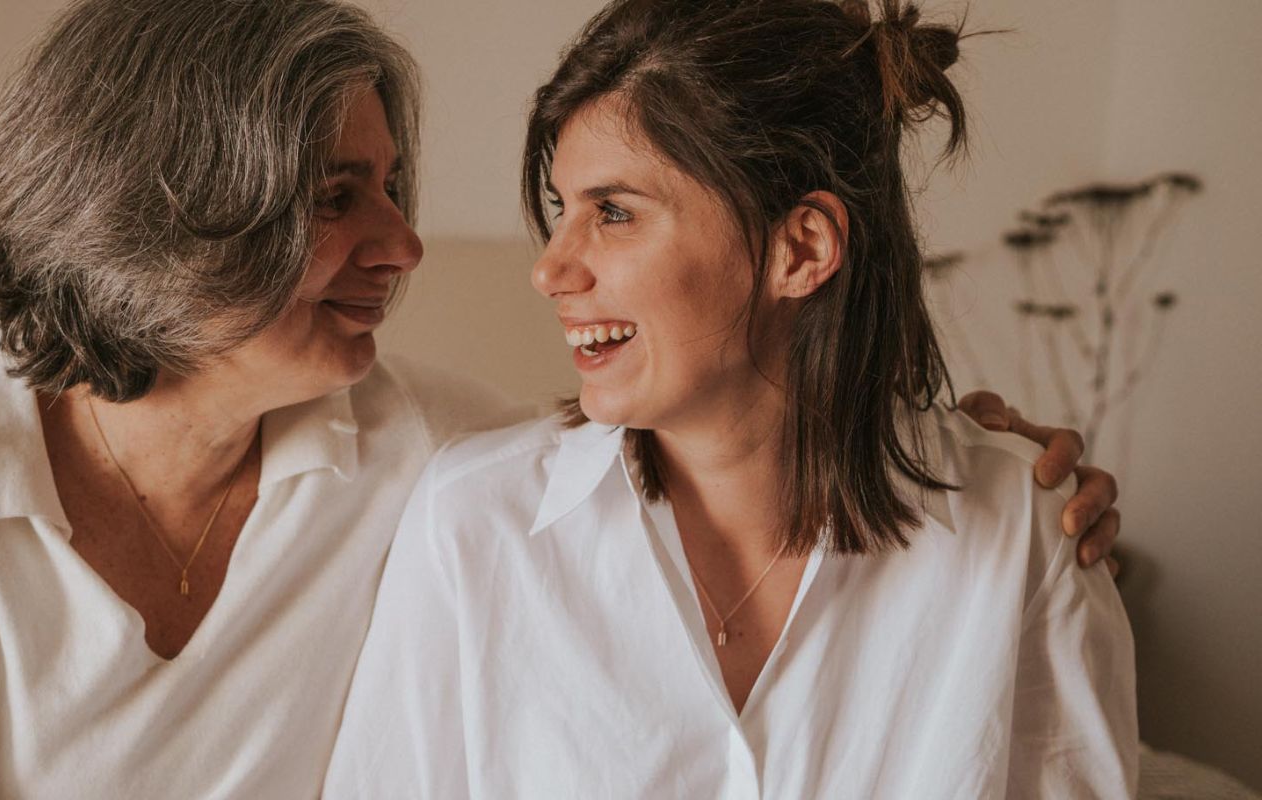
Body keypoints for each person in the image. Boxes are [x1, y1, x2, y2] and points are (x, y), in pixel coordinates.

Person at [0, 0, 1121, 796]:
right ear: (175, 221)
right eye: (334, 197)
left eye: (392, 185)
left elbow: (686, 421)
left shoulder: (438, 459)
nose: (407, 247)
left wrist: (969, 456)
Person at [325, 1, 1137, 797]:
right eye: (560, 211)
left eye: (612, 212)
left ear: (800, 248)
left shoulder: (1026, 537)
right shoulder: (473, 523)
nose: (551, 270)